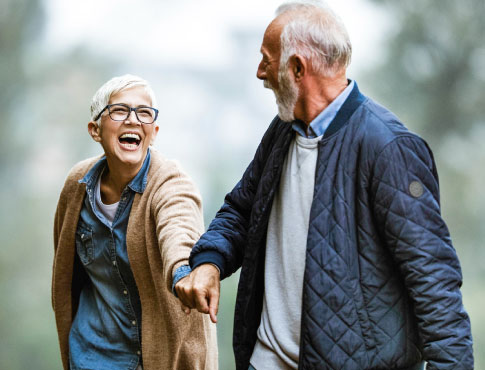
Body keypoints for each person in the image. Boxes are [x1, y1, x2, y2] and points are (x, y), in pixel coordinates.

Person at [175, 1, 474, 369]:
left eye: (266, 60)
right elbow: (241, 209)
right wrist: (210, 262)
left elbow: (434, 283)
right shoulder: (282, 131)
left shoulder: (388, 148)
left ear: (297, 67)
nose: (259, 73)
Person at [52, 74, 217, 370]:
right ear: (95, 130)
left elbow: (178, 229)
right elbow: (65, 274)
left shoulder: (171, 183)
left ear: (153, 131)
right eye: (119, 110)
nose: (132, 120)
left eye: (143, 112)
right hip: (91, 357)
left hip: (161, 358)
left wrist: (183, 272)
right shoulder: (77, 185)